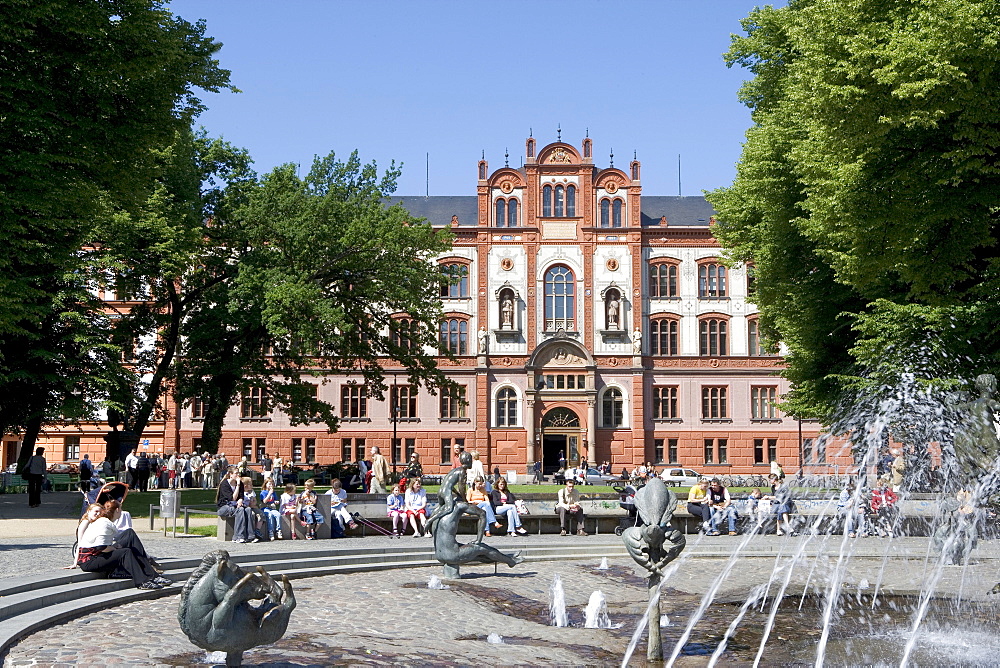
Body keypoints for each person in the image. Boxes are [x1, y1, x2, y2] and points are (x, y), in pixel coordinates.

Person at [69, 504, 166, 589]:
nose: (98, 514)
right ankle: (142, 581)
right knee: (126, 552)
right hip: (90, 560)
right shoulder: (98, 523)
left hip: (98, 554)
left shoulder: (102, 522)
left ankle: (151, 575)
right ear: (117, 510)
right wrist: (75, 563)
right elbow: (98, 547)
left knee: (129, 534)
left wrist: (114, 547)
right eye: (96, 511)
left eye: (100, 511)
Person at [216, 467, 257, 543]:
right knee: (240, 510)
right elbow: (233, 498)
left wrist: (241, 499)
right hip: (224, 507)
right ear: (231, 474)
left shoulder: (240, 483)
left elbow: (241, 496)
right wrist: (237, 485)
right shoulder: (225, 484)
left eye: (239, 473)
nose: (238, 475)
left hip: (235, 506)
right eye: (236, 473)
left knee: (248, 509)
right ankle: (237, 536)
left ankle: (250, 536)